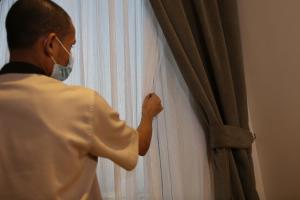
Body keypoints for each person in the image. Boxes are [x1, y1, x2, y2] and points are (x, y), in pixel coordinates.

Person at [0, 0, 163, 199]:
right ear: (50, 44)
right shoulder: (81, 104)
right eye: (70, 46)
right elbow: (139, 145)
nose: (69, 56)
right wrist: (148, 113)